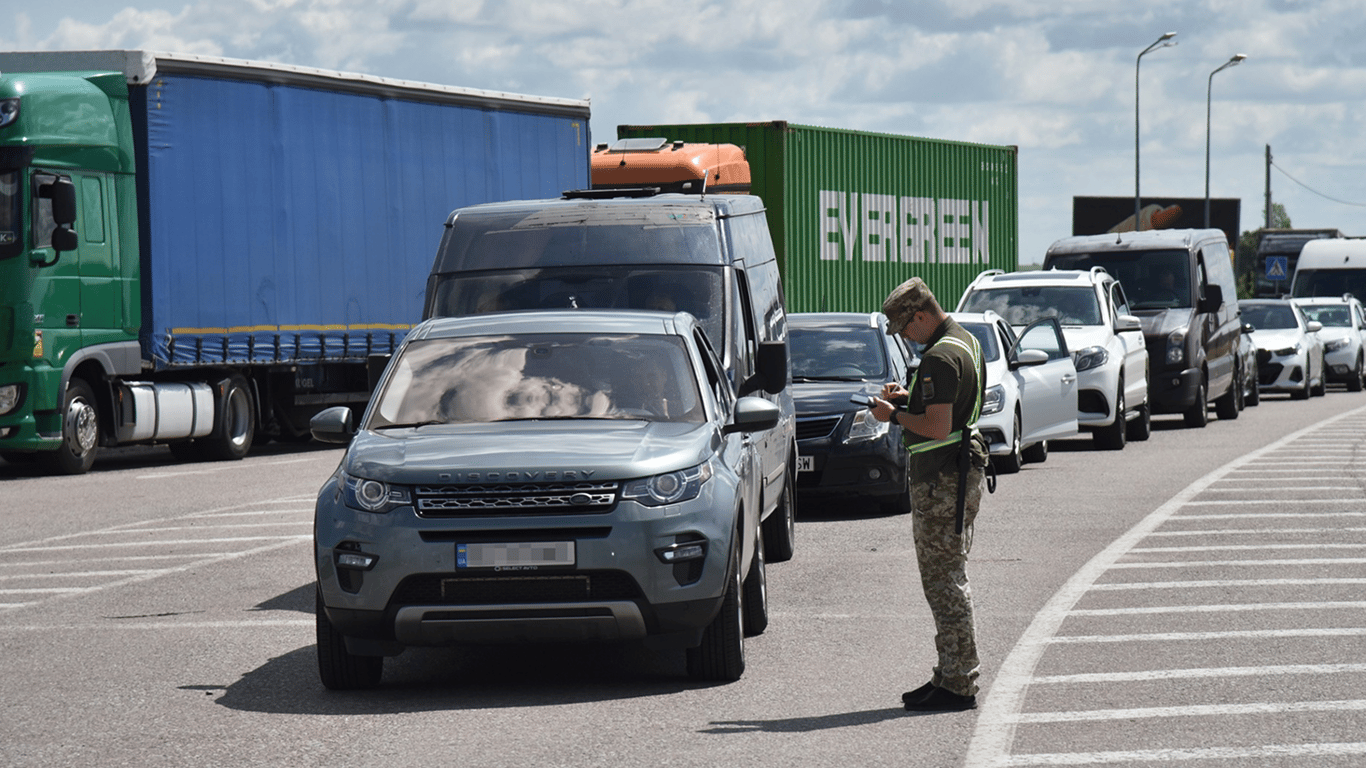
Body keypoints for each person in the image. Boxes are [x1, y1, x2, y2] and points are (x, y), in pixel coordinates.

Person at [869, 277, 988, 713]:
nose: (905, 336)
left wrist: (894, 415)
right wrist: (910, 398)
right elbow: (950, 410)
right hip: (955, 475)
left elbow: (937, 427)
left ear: (920, 316)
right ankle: (949, 673)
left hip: (942, 481)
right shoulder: (965, 342)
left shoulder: (939, 356)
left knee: (944, 583)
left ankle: (959, 683)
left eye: (905, 327)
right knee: (944, 580)